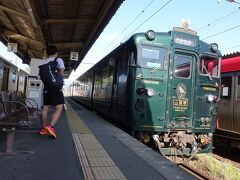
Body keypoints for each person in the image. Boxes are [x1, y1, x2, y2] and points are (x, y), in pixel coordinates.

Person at [39, 45, 65, 139]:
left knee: (45, 109)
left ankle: (43, 129)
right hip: (56, 88)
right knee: (59, 107)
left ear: (48, 53)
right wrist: (60, 82)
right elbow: (61, 73)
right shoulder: (58, 60)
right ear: (56, 52)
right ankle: (50, 127)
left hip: (46, 88)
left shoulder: (44, 62)